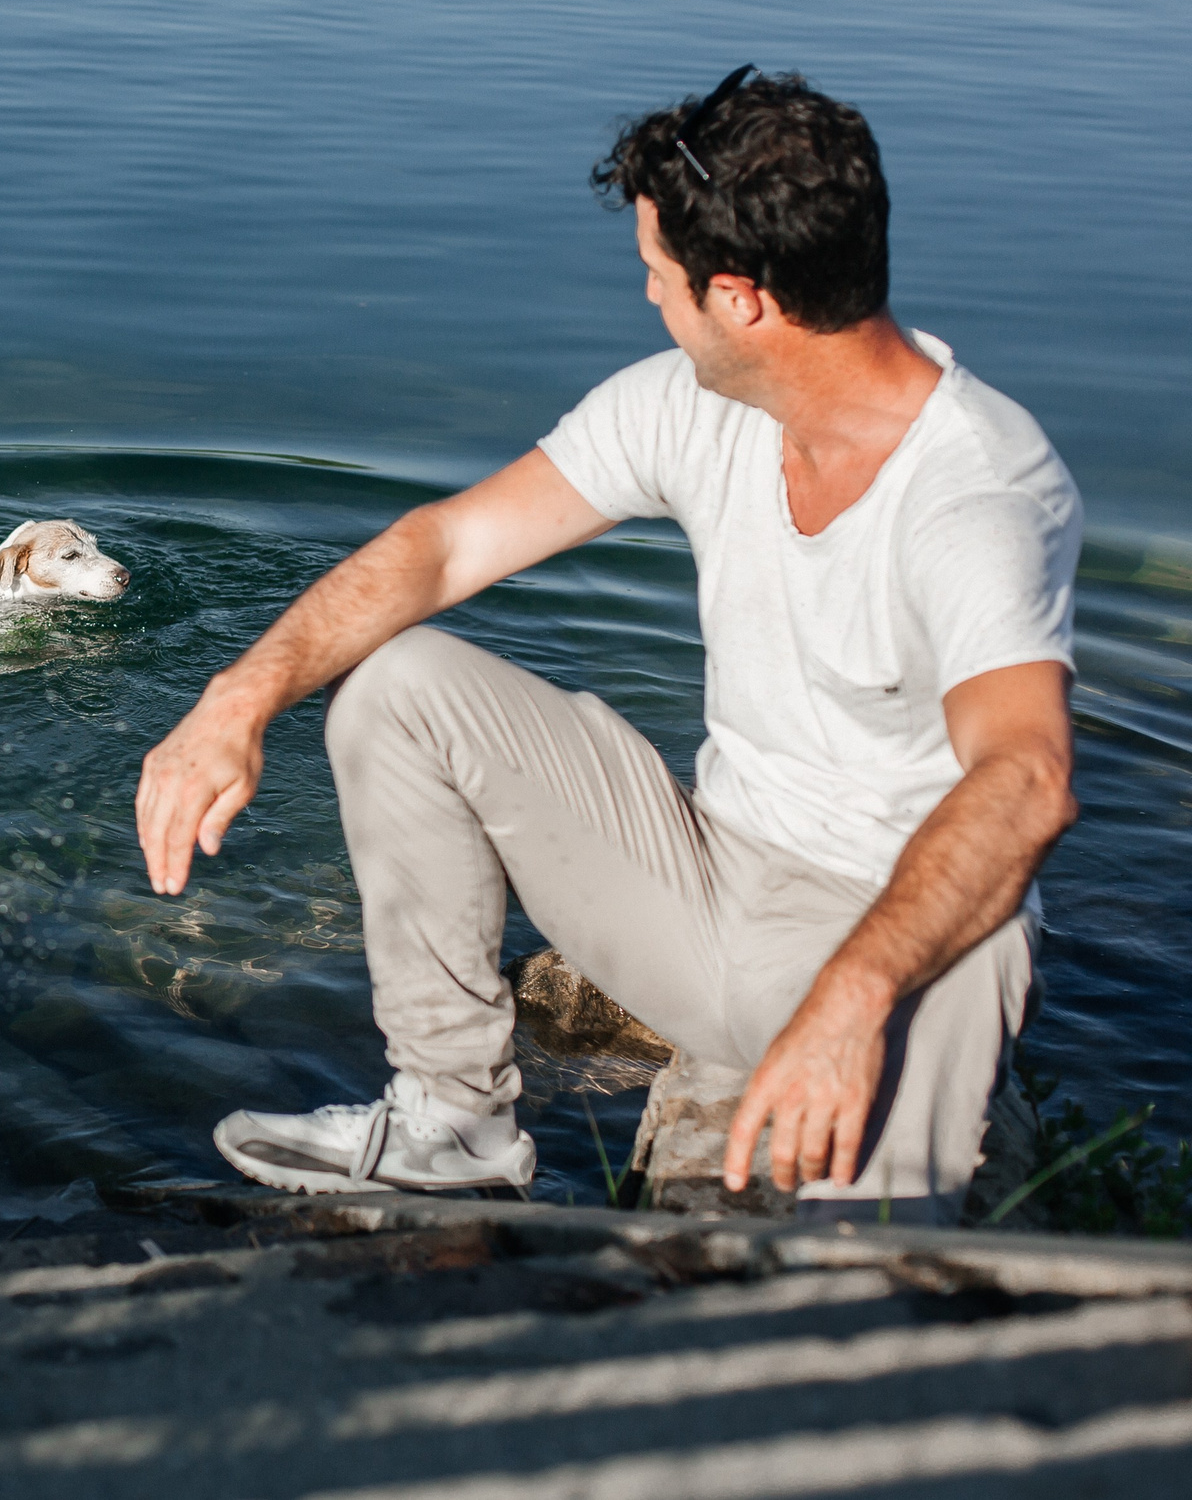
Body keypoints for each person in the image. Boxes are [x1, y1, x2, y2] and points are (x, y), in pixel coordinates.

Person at [135, 68, 1081, 1224]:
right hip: (707, 889)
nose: (646, 296)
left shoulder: (974, 492)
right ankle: (449, 1129)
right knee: (396, 684)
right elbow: (441, 548)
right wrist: (237, 699)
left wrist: (851, 995)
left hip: (894, 944)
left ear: (739, 300)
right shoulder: (694, 405)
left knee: (849, 1286)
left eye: (657, 276)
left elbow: (1026, 777)